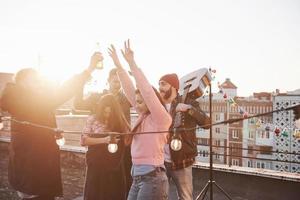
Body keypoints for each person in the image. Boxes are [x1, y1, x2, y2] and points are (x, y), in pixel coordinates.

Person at [0, 52, 103, 200]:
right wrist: (89, 69)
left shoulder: (19, 99)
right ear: (23, 82)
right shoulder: (27, 101)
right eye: (35, 81)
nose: (40, 84)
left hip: (30, 171)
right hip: (34, 173)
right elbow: (62, 92)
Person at [108, 40, 172, 200]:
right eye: (136, 101)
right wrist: (118, 66)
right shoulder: (142, 116)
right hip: (137, 178)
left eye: (140, 100)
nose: (137, 103)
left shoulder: (161, 119)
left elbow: (147, 92)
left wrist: (132, 64)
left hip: (153, 179)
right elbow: (130, 89)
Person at [74, 67, 132, 195]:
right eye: (115, 81)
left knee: (120, 186)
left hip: (121, 149)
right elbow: (78, 104)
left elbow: (144, 101)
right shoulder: (97, 98)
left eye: (120, 82)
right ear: (108, 81)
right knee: (97, 189)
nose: (118, 85)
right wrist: (82, 81)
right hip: (98, 154)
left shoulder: (127, 99)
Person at [159, 73, 210, 200]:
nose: (160, 87)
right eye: (159, 84)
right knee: (159, 196)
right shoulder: (158, 105)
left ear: (174, 87)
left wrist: (189, 109)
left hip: (182, 161)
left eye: (163, 84)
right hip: (160, 161)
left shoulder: (189, 102)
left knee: (185, 197)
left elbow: (207, 123)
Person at [81, 94, 131, 200]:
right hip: (96, 165)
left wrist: (122, 119)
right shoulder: (93, 119)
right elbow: (83, 140)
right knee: (95, 193)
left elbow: (127, 141)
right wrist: (104, 140)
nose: (107, 115)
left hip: (114, 166)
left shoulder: (119, 121)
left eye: (110, 112)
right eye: (104, 112)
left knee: (113, 194)